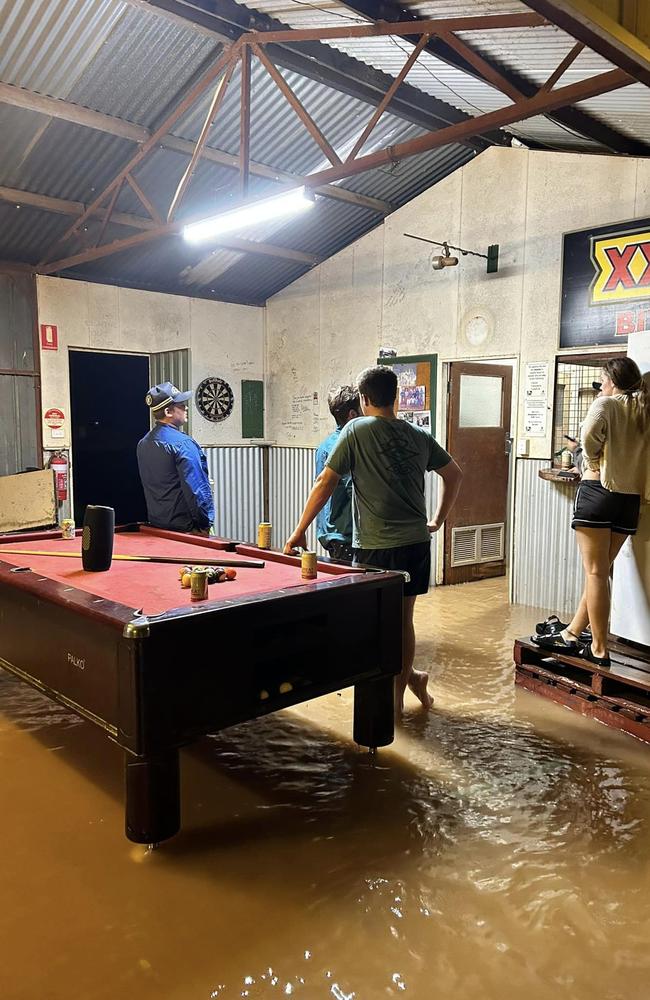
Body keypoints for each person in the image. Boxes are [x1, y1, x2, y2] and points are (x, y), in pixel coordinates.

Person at [284, 365, 463, 713]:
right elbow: (455, 475)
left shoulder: (355, 430)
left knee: (371, 623)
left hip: (375, 548)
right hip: (416, 543)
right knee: (403, 620)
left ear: (364, 399)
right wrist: (437, 520)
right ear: (396, 397)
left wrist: (298, 530)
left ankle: (393, 698)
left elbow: (325, 482)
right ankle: (400, 695)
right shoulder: (417, 434)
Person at [534, 357, 650, 665]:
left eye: (602, 381)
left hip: (599, 492)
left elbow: (588, 439)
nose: (601, 387)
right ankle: (573, 633)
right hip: (630, 500)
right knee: (600, 574)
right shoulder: (645, 411)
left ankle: (599, 648)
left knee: (596, 573)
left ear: (611, 381)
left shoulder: (606, 405)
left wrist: (593, 461)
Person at [137, 382, 214, 535]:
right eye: (181, 405)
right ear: (168, 411)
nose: (186, 408)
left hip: (158, 525)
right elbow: (197, 490)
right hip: (186, 529)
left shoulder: (143, 443)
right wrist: (205, 523)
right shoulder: (183, 444)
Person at [315, 386, 360, 561]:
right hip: (346, 534)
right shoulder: (348, 446)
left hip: (329, 531)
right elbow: (355, 491)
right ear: (352, 415)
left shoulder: (324, 445)